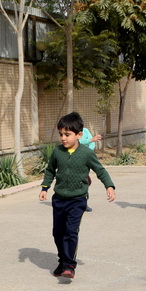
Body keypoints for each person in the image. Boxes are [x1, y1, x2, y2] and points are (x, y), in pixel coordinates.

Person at [40, 111, 116, 279]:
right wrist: (45, 188)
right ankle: (62, 261)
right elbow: (50, 170)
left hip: (77, 200)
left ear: (79, 135)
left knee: (71, 231)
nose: (63, 138)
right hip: (59, 199)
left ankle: (69, 265)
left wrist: (109, 186)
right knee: (57, 233)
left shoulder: (86, 153)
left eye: (67, 134)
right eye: (61, 134)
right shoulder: (58, 152)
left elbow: (100, 170)